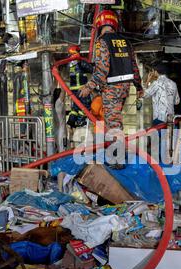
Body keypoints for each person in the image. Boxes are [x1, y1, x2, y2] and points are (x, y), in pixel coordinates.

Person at [79, 10, 143, 169]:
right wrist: (138, 86)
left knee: (113, 124)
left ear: (100, 25)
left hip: (111, 89)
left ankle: (118, 161)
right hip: (125, 89)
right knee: (114, 122)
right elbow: (134, 67)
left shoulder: (102, 42)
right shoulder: (126, 42)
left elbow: (102, 70)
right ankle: (114, 155)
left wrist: (89, 86)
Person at [67, 45, 93, 129]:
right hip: (81, 88)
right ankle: (80, 121)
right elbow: (91, 69)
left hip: (73, 90)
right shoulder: (80, 62)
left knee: (75, 107)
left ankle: (71, 120)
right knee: (85, 105)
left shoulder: (69, 63)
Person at [53, 88, 68, 153]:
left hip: (56, 129)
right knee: (62, 149)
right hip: (61, 131)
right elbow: (64, 91)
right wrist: (62, 80)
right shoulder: (58, 103)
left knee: (58, 148)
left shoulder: (53, 103)